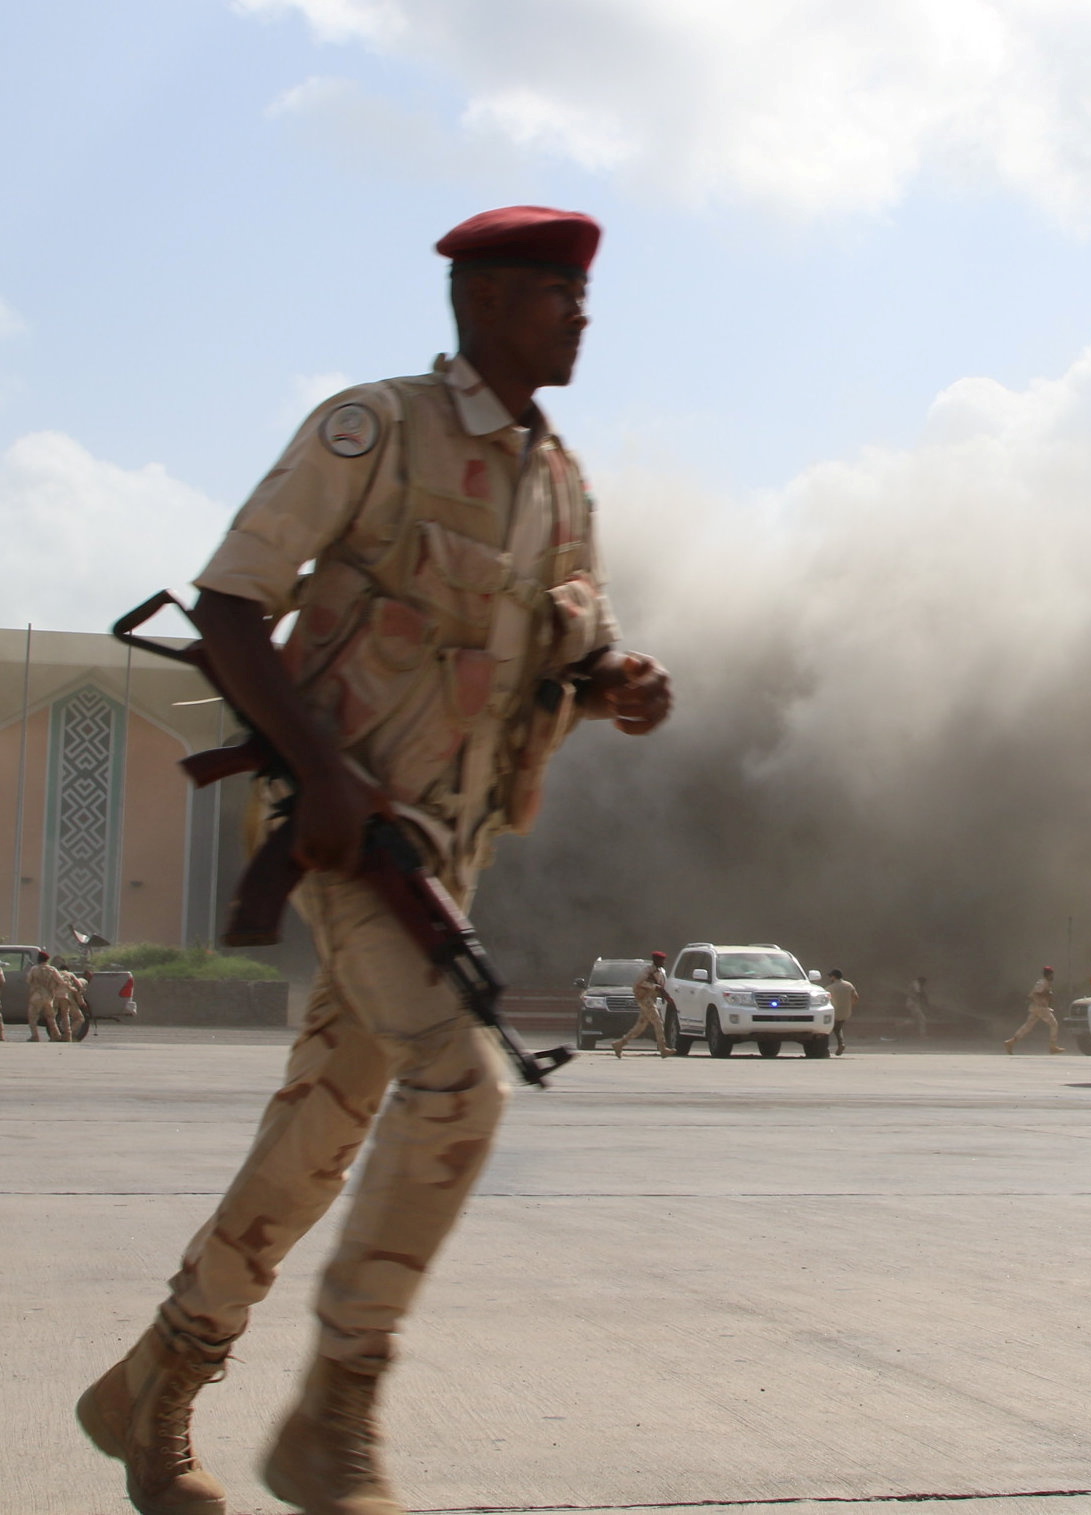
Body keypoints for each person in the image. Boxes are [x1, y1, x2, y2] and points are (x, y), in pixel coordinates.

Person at [76, 205, 672, 1515]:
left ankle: (154, 1381)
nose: (581, 315)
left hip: (448, 857)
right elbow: (231, 599)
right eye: (555, 293)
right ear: (483, 303)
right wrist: (327, 768)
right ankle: (335, 1407)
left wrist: (616, 680)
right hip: (346, 835)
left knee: (321, 1129)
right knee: (463, 1091)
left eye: (583, 295)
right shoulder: (377, 429)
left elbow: (570, 649)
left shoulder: (560, 481)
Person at [611, 950, 671, 1057]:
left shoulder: (662, 972)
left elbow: (662, 986)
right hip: (644, 998)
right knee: (658, 1022)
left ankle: (619, 1044)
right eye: (661, 960)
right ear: (655, 960)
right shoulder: (647, 971)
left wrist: (663, 995)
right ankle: (663, 1048)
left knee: (640, 1026)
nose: (663, 962)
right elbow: (638, 984)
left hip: (652, 999)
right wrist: (654, 987)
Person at [1005, 966, 1065, 1055]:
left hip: (1036, 1008)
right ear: (1049, 975)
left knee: (1027, 1027)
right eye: (1052, 975)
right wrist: (1046, 995)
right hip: (1041, 1008)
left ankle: (1011, 1042)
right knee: (1054, 1025)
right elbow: (1035, 994)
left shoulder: (1044, 983)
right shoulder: (1042, 983)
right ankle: (1052, 1046)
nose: (1053, 977)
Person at [28, 950, 71, 1043]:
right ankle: (57, 1035)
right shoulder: (52, 969)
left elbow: (28, 980)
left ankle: (35, 1036)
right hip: (48, 997)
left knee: (32, 1017)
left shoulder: (34, 969)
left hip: (37, 996)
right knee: (51, 1017)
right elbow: (60, 981)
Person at [825, 968, 858, 1054]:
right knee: (838, 1028)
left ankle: (825, 1049)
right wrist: (850, 1006)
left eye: (830, 977)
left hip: (834, 1013)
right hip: (846, 1012)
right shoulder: (849, 985)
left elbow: (825, 1000)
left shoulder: (829, 988)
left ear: (834, 977)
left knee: (825, 1030)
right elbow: (856, 997)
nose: (830, 978)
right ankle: (841, 1043)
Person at [904, 975, 932, 1039]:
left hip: (912, 1003)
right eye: (923, 983)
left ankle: (900, 1025)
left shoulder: (914, 983)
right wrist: (925, 1000)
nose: (924, 984)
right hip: (913, 1004)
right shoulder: (916, 983)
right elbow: (919, 993)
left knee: (915, 1019)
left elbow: (919, 993)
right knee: (922, 1019)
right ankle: (922, 1035)